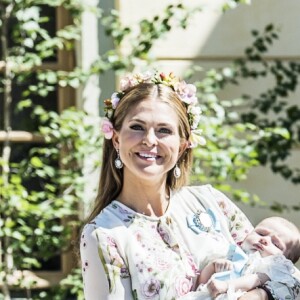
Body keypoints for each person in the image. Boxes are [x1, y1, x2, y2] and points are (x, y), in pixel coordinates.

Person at [80, 71, 300, 300]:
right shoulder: (103, 235)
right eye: (137, 127)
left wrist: (258, 297)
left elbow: (290, 277)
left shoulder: (212, 202)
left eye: (164, 130)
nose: (149, 140)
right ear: (116, 139)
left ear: (183, 146)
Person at [193, 216, 300, 299]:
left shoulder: (270, 268)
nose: (265, 240)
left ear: (285, 261)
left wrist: (226, 285)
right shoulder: (231, 253)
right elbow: (200, 287)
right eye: (260, 233)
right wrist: (212, 267)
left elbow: (254, 280)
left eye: (276, 244)